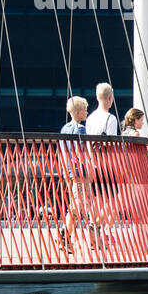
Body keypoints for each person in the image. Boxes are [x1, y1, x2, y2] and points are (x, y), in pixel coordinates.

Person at [57, 96, 91, 253]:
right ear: (78, 112)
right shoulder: (80, 129)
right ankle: (64, 235)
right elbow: (80, 152)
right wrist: (89, 169)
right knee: (78, 205)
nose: (87, 112)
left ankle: (64, 236)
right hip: (79, 172)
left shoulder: (64, 128)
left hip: (68, 171)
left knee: (74, 204)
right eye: (85, 109)